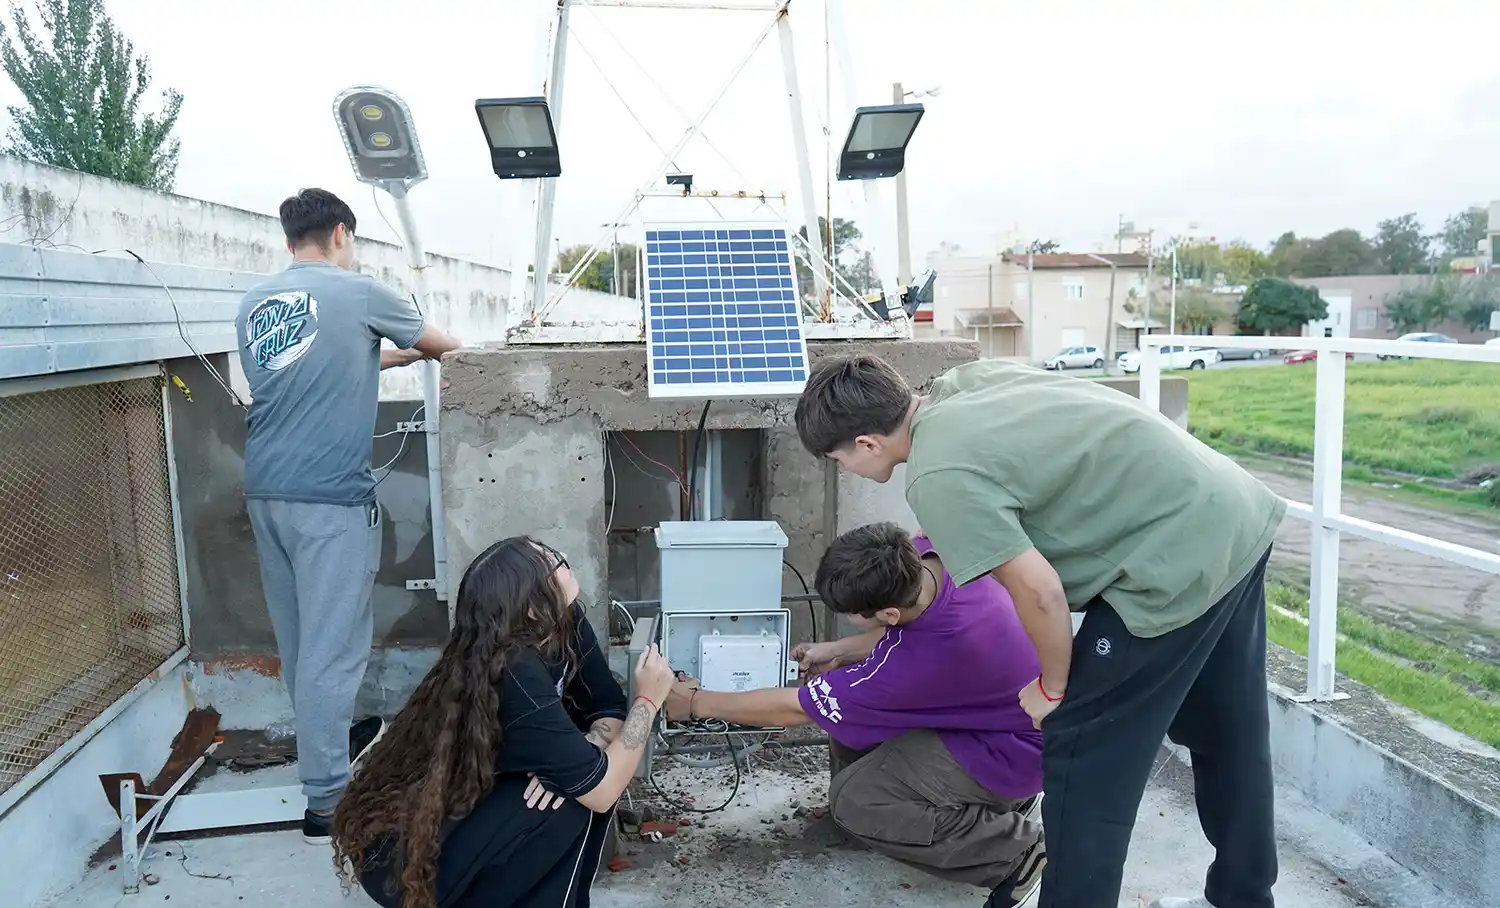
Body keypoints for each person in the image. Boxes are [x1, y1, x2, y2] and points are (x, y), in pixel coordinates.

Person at [792, 354, 1286, 908]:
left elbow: (1039, 591)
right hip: (1231, 513)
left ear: (866, 443)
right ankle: (1246, 896)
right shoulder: (966, 385)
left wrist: (1053, 688)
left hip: (1166, 563)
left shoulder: (935, 477)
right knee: (1228, 733)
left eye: (838, 459)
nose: (845, 470)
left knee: (1082, 760)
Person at [234, 188, 462, 843]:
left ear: (289, 241)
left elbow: (320, 366)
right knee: (333, 654)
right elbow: (446, 344)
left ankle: (327, 745)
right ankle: (328, 800)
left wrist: (397, 355)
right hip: (329, 499)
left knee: (302, 642)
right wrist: (423, 347)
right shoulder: (357, 290)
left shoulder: (258, 304)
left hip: (267, 493)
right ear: (341, 234)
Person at [665, 522, 1047, 908]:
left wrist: (697, 702)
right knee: (851, 725)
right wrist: (840, 651)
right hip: (1005, 714)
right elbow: (908, 634)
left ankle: (1014, 852)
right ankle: (946, 815)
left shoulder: (910, 668)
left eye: (852, 614)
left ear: (889, 613)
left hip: (1013, 751)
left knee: (856, 801)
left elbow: (795, 707)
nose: (849, 618)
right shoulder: (940, 551)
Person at [331, 536, 675, 908]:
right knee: (571, 800)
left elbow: (606, 706)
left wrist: (591, 743)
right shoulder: (514, 671)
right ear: (530, 608)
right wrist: (648, 701)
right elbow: (604, 788)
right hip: (408, 864)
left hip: (472, 817)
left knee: (573, 784)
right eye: (555, 563)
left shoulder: (565, 620)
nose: (566, 562)